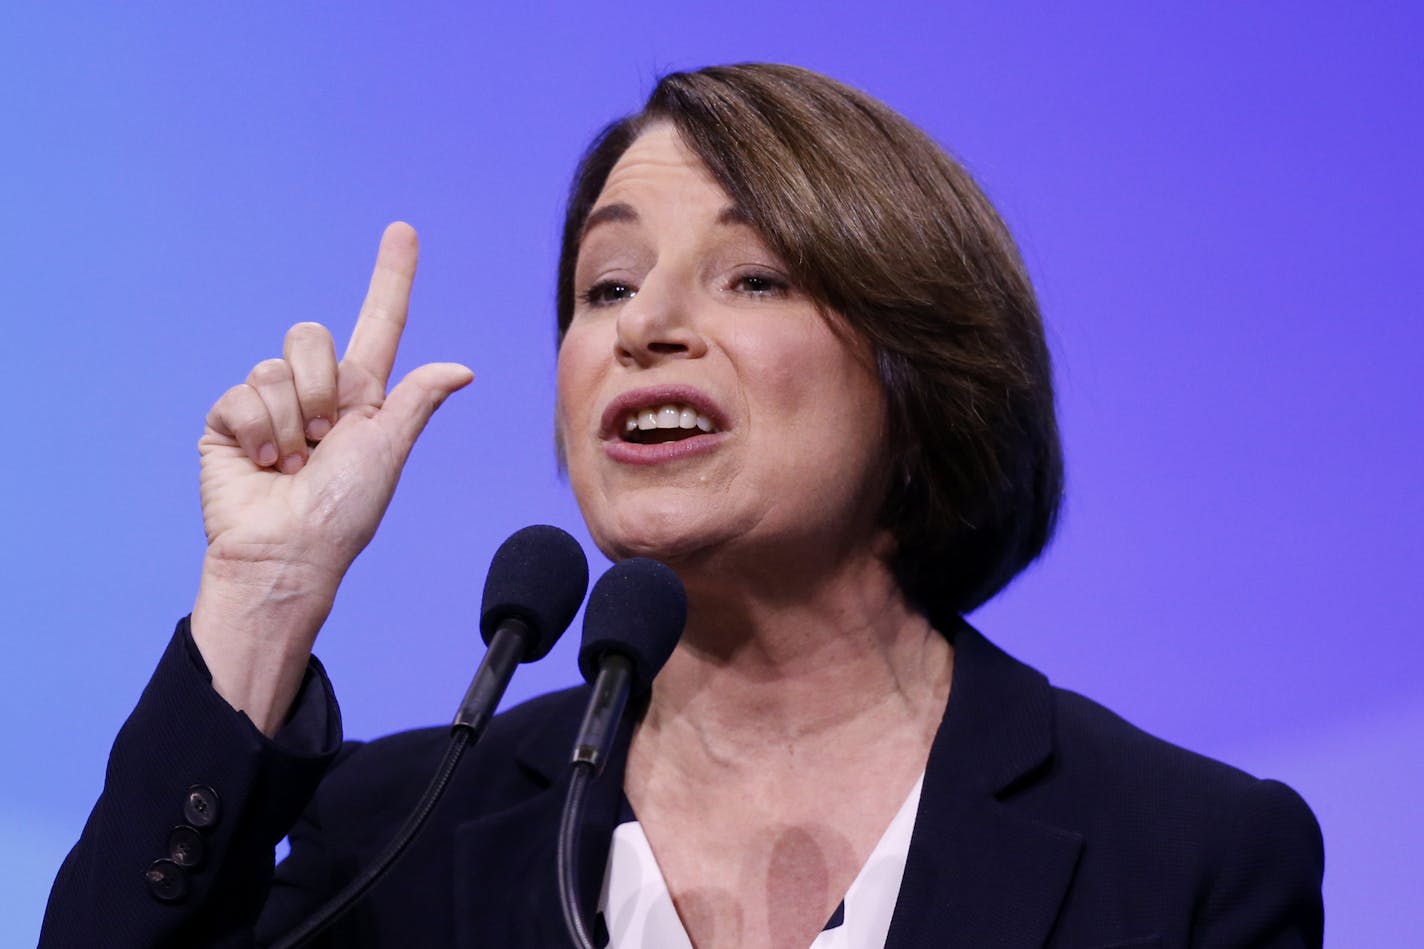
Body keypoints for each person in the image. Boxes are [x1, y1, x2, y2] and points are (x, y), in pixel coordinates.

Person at [41, 64, 1324, 948]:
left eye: (751, 277)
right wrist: (266, 590)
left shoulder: (1183, 854)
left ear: (917, 368)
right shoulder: (402, 834)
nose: (645, 326)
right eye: (604, 287)